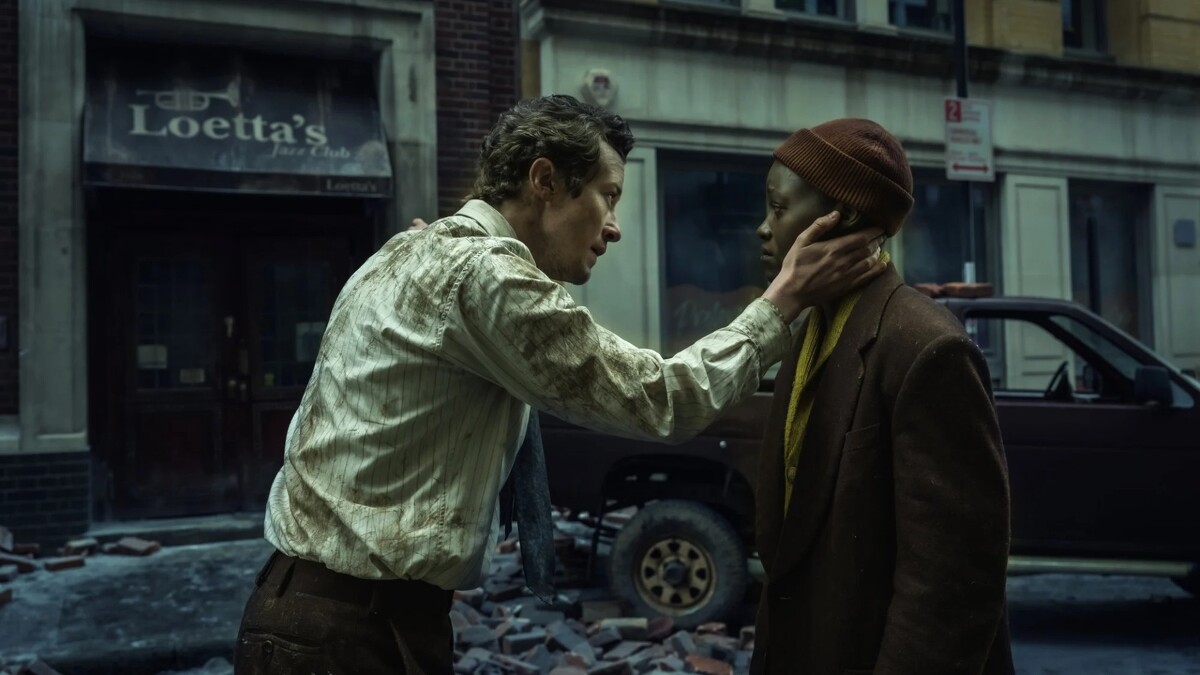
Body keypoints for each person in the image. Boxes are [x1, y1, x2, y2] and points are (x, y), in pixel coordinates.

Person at [234, 95, 887, 675]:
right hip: (346, 631)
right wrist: (782, 301)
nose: (614, 226)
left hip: (331, 615)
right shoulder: (484, 276)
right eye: (607, 195)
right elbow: (661, 398)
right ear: (545, 181)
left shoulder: (411, 253)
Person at [749, 118, 1013, 675]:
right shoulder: (809, 329)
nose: (763, 229)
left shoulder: (926, 346)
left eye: (778, 208)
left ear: (840, 218)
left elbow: (950, 587)